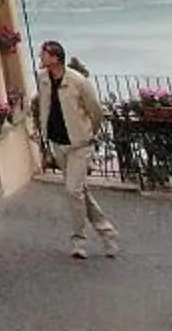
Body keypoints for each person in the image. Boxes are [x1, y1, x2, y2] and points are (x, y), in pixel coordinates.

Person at [30, 40, 118, 259]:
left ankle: (79, 240)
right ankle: (107, 233)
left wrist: (89, 134)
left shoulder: (78, 82)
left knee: (72, 191)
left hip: (79, 144)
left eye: (44, 55)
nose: (40, 58)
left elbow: (95, 111)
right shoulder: (43, 79)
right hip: (58, 144)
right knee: (78, 191)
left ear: (55, 58)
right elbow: (43, 105)